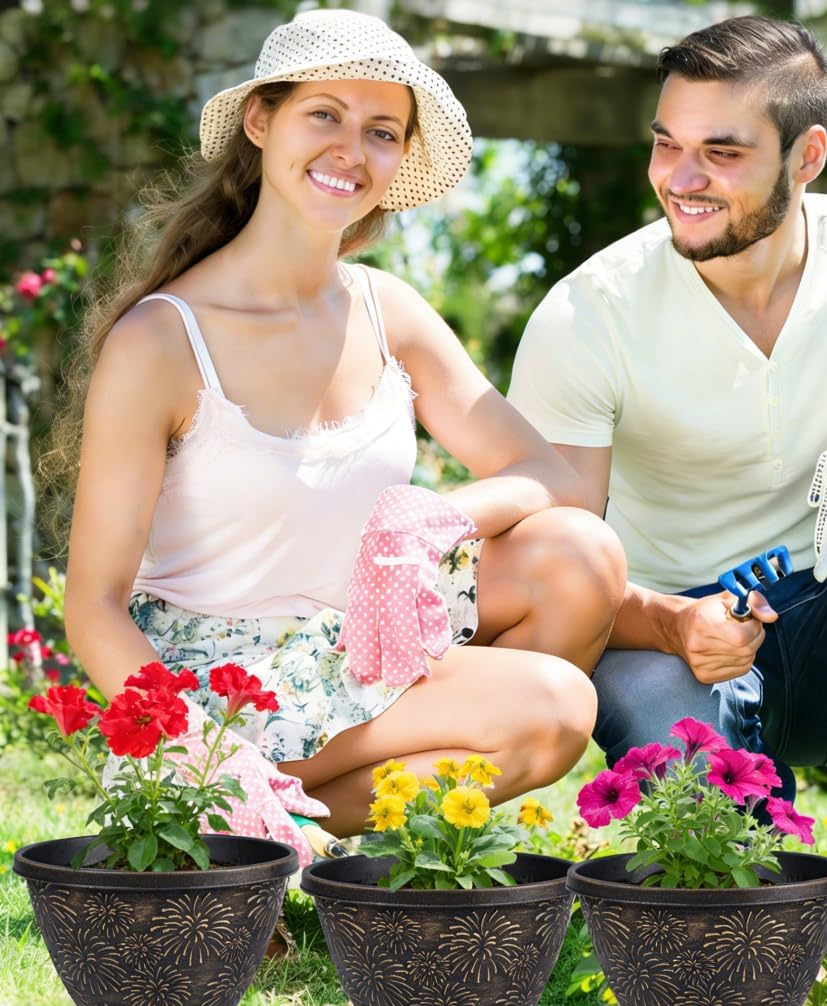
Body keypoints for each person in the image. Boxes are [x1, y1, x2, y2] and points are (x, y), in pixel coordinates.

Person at [56, 9, 626, 856]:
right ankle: (222, 794)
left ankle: (280, 837)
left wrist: (429, 520)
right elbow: (92, 605)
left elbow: (554, 476)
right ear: (261, 121)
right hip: (218, 684)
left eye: (382, 131)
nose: (350, 151)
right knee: (554, 707)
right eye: (324, 114)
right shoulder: (163, 341)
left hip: (355, 645)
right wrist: (188, 743)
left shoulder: (385, 308)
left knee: (579, 557)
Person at [507, 14, 827, 860]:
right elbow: (548, 566)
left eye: (723, 151)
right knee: (718, 840)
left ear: (807, 155)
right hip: (676, 628)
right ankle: (758, 880)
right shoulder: (586, 314)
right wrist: (677, 624)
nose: (682, 178)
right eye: (666, 144)